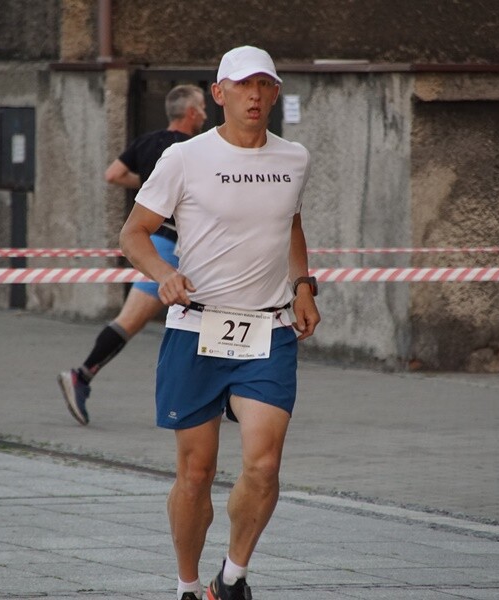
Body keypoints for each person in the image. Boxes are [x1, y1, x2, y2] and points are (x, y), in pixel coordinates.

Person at [119, 46, 320, 600]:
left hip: (268, 329)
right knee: (196, 473)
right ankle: (187, 585)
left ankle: (231, 578)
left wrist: (304, 286)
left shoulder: (294, 158)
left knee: (264, 464)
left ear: (275, 93)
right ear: (218, 93)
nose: (254, 95)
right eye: (242, 85)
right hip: (197, 328)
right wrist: (164, 274)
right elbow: (133, 234)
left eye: (264, 85)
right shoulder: (184, 158)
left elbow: (290, 223)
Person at [58, 84, 208, 426]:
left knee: (198, 322)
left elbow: (113, 174)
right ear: (191, 113)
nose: (204, 114)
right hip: (176, 245)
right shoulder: (193, 150)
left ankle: (216, 395)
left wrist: (150, 187)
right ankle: (81, 375)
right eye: (201, 107)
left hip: (154, 241)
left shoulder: (147, 142)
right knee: (138, 321)